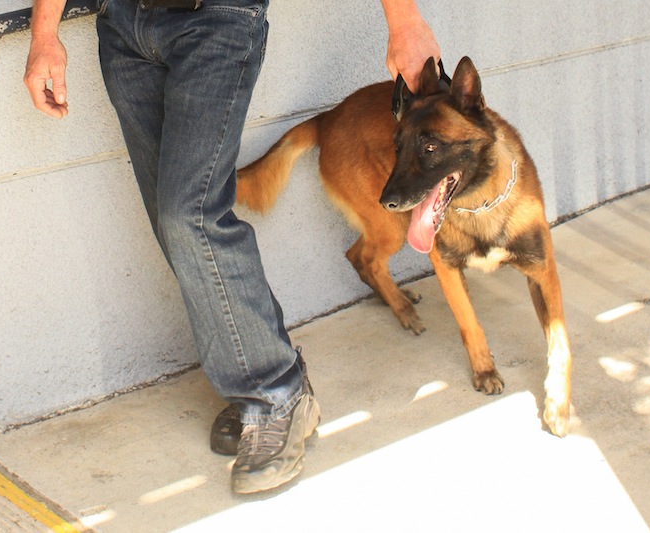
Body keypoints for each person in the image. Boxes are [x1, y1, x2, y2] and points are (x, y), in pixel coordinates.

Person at [24, 0, 439, 494]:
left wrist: (404, 20)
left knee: (189, 214)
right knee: (172, 222)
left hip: (217, 18)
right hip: (124, 27)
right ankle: (260, 385)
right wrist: (44, 32)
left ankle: (275, 394)